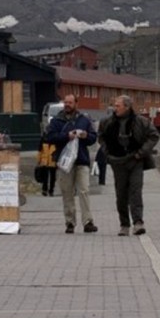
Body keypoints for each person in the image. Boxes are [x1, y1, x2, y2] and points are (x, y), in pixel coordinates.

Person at [99, 95, 159, 236]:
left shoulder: (140, 121)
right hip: (117, 161)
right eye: (115, 105)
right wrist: (107, 153)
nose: (115, 108)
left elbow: (154, 136)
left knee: (135, 192)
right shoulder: (108, 122)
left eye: (118, 106)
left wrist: (142, 152)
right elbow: (101, 137)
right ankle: (124, 224)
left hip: (135, 160)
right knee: (121, 195)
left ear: (127, 107)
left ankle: (138, 222)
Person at [45, 94, 98, 233]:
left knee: (84, 190)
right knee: (67, 192)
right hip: (64, 162)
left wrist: (86, 136)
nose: (67, 104)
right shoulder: (56, 121)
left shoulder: (84, 120)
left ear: (76, 104)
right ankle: (70, 222)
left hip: (81, 160)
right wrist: (66, 136)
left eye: (70, 102)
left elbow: (93, 137)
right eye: (65, 102)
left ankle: (88, 221)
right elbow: (49, 137)